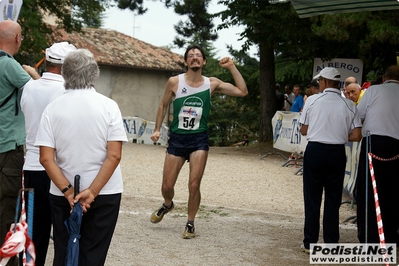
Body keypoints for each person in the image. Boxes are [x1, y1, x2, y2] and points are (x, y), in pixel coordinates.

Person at [35, 49, 127, 265]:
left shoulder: (52, 108)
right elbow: (114, 155)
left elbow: (46, 158)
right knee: (94, 254)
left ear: (65, 74)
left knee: (64, 252)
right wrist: (92, 191)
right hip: (105, 191)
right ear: (94, 74)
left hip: (62, 192)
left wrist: (68, 192)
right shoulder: (108, 106)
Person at [149, 44, 248, 239]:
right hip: (177, 139)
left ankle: (190, 222)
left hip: (199, 139)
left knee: (194, 184)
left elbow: (242, 91)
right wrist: (157, 129)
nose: (194, 58)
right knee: (167, 187)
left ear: (203, 61)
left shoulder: (211, 83)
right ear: (186, 61)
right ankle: (168, 204)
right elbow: (163, 105)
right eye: (191, 56)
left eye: (198, 56)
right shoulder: (174, 82)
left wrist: (231, 67)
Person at [20, 42, 76, 266]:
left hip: (31, 168)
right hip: (58, 172)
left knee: (34, 238)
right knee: (63, 237)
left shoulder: (29, 87)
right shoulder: (68, 92)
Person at [299, 67, 362, 253]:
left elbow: (303, 130)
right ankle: (332, 241)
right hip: (337, 152)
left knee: (312, 197)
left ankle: (310, 241)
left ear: (324, 82)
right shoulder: (349, 104)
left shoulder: (312, 100)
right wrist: (340, 135)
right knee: (333, 199)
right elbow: (357, 135)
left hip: (315, 150)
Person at [0, 20, 39, 266]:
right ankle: (6, 257)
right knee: (7, 205)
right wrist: (33, 73)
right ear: (17, 39)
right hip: (7, 147)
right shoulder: (9, 65)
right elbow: (36, 92)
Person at [355, 65, 399, 245]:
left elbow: (358, 115)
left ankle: (369, 236)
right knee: (393, 191)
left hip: (373, 142)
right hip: (396, 143)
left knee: (369, 191)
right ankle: (390, 235)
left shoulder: (373, 90)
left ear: (383, 77)